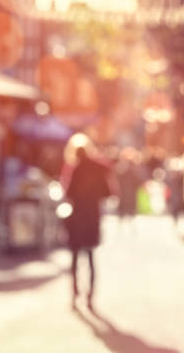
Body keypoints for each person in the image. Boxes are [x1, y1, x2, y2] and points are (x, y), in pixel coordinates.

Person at [61, 133, 116, 311]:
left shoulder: (75, 169)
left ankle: (75, 294)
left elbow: (67, 194)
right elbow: (108, 193)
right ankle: (90, 296)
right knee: (91, 258)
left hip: (77, 218)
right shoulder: (98, 169)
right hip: (92, 217)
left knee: (75, 258)